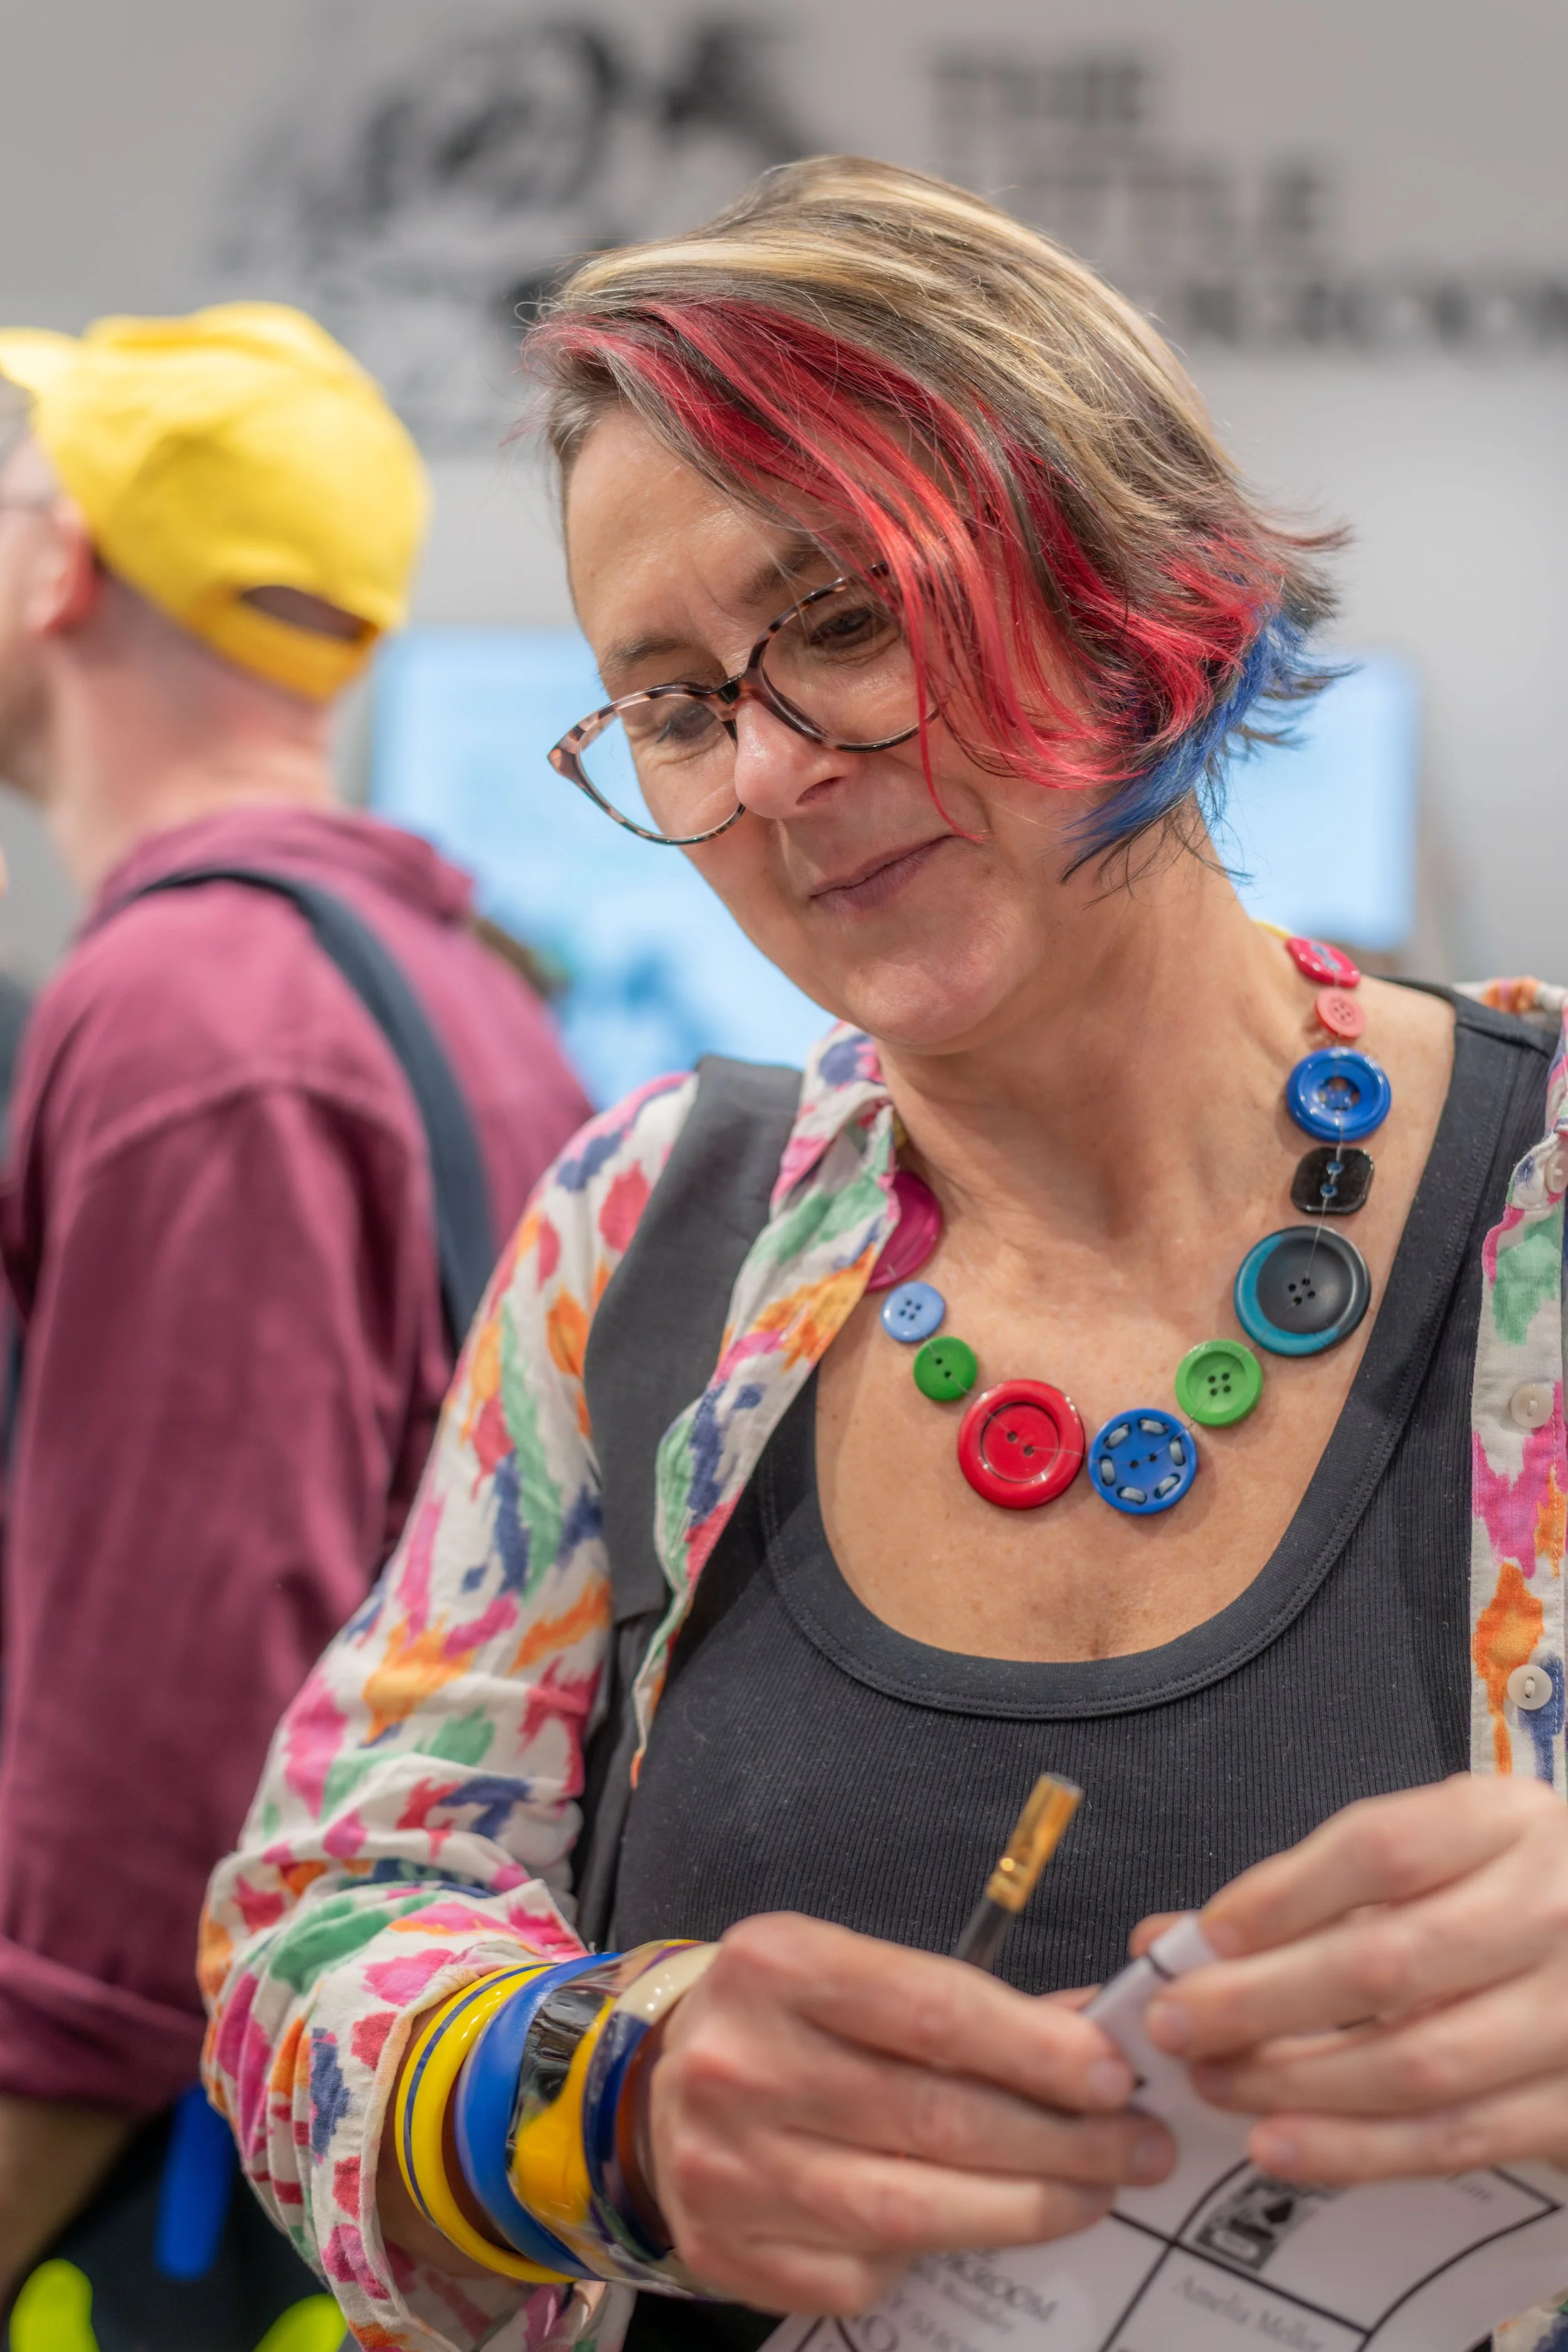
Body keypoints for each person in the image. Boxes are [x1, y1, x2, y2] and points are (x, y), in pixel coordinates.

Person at [203, 157, 1568, 2352]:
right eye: (666, 703)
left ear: (1126, 577)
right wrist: (599, 2104)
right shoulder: (650, 1231)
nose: (764, 767)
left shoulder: (1535, 1201)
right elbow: (317, 1921)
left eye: (840, 617)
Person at [0, 303, 590, 2321]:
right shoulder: (458, 988)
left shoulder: (192, 1014)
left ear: (65, 568)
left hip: (168, 2191)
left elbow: (184, 1703)